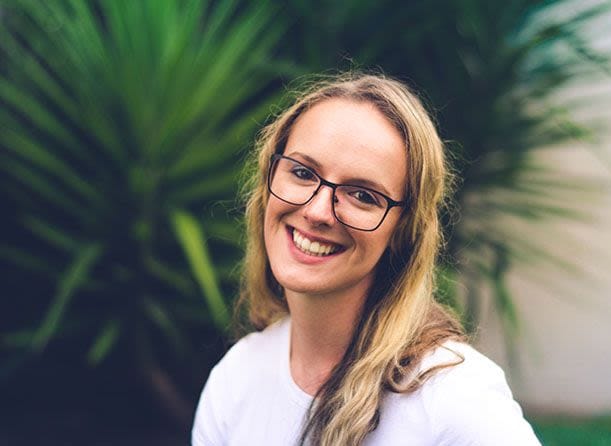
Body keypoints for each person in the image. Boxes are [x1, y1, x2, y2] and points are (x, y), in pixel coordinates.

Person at [192, 73, 542, 446]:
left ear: (403, 231)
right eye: (302, 172)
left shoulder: (453, 397)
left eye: (362, 195)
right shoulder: (237, 377)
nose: (317, 211)